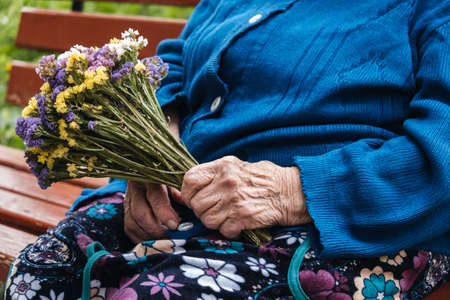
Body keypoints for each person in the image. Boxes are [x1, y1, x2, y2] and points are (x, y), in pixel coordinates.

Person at [5, 0, 449, 299]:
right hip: (188, 198)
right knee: (41, 270)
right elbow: (175, 63)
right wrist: (153, 151)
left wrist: (290, 191)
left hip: (351, 222)